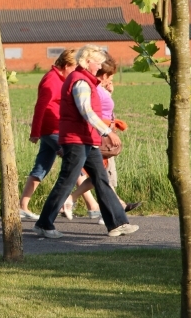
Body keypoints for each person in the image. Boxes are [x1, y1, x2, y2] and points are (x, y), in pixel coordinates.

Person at [33, 45, 139, 238]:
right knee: (67, 180)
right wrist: (107, 132)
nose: (99, 66)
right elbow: (86, 111)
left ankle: (117, 223)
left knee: (101, 179)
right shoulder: (80, 82)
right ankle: (44, 224)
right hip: (76, 139)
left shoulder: (86, 81)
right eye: (97, 62)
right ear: (87, 61)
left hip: (87, 139)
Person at [62, 53, 142, 223]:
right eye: (110, 76)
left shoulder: (98, 88)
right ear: (103, 74)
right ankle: (111, 213)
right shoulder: (91, 87)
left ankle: (109, 210)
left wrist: (110, 92)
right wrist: (109, 129)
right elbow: (90, 113)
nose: (110, 79)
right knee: (102, 176)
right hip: (98, 136)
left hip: (98, 135)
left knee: (100, 176)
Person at [19, 49, 90, 220]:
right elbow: (40, 107)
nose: (76, 73)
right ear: (65, 66)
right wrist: (35, 132)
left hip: (52, 129)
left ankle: (22, 206)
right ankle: (90, 205)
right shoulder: (51, 81)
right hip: (53, 130)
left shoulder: (59, 79)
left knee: (41, 167)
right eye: (74, 68)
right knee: (76, 162)